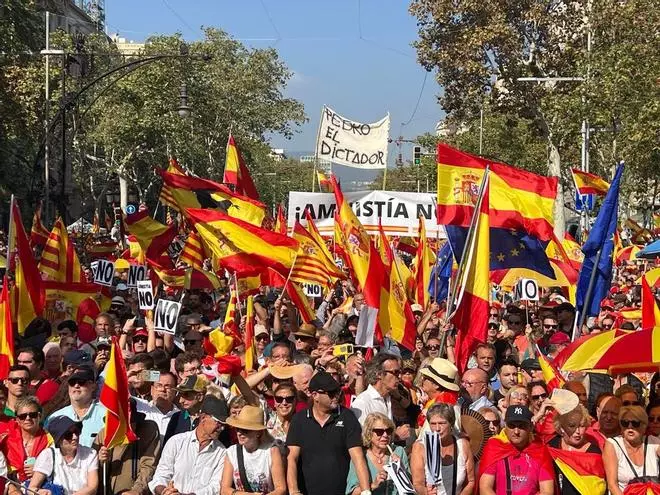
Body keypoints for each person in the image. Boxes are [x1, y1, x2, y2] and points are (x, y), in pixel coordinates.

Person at [286, 370, 371, 495]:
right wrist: (294, 491)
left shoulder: (347, 417)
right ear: (314, 395)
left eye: (337, 391)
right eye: (331, 393)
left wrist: (366, 491)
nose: (336, 396)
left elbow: (357, 457)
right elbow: (292, 458)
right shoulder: (299, 420)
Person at [149, 395, 229, 495]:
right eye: (218, 423)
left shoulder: (222, 453)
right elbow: (161, 475)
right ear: (203, 418)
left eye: (224, 425)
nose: (222, 428)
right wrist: (164, 492)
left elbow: (216, 487)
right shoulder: (176, 442)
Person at [478, 405, 554, 495]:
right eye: (512, 426)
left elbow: (547, 491)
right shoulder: (495, 448)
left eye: (522, 426)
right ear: (505, 426)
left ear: (530, 427)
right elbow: (485, 487)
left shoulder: (540, 451)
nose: (516, 431)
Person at [95, 398, 161, 495]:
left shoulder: (148, 430)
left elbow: (149, 465)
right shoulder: (104, 434)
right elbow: (90, 470)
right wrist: (100, 460)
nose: (127, 427)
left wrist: (137, 490)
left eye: (131, 422)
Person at [221, 405, 286, 494]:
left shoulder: (271, 452)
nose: (240, 433)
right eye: (238, 429)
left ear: (258, 433)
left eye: (245, 430)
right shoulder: (232, 452)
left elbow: (281, 488)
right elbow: (224, 490)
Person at [411, 403, 474, 495]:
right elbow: (418, 483)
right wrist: (426, 493)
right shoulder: (420, 447)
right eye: (433, 424)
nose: (437, 428)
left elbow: (470, 481)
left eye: (442, 423)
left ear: (451, 423)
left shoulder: (463, 445)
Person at [29, 416, 98, 495]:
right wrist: (40, 492)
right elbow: (31, 488)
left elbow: (92, 487)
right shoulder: (48, 455)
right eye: (68, 435)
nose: (75, 437)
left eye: (76, 432)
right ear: (59, 439)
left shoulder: (90, 453)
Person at [547, 404, 605, 495]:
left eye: (581, 426)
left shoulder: (594, 453)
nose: (577, 431)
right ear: (562, 427)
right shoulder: (551, 446)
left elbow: (598, 488)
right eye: (572, 426)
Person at [346, 412, 410, 495]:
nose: (385, 435)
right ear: (369, 433)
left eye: (389, 431)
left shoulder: (398, 451)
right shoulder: (361, 456)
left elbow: (409, 485)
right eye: (379, 432)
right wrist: (373, 485)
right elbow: (352, 492)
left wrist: (400, 469)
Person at [602, 405, 660, 494]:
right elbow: (612, 485)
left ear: (644, 426)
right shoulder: (612, 444)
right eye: (625, 423)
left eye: (635, 423)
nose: (630, 427)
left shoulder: (653, 442)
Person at [46, 367, 107, 448]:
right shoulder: (55, 417)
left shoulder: (106, 415)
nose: (76, 385)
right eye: (72, 382)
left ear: (93, 386)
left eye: (81, 382)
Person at [1, 396, 51, 485]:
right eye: (23, 416)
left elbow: (59, 466)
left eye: (32, 415)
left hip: (42, 486)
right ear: (17, 419)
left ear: (39, 416)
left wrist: (40, 471)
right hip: (12, 487)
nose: (28, 418)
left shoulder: (49, 439)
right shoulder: (6, 441)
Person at [163, 374, 207, 445]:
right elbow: (167, 445)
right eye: (180, 395)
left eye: (186, 395)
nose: (181, 400)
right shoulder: (176, 417)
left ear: (200, 396)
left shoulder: (210, 419)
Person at [135, 371, 179, 439]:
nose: (162, 389)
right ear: (152, 389)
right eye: (159, 385)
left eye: (168, 386)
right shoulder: (140, 407)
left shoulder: (180, 416)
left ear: (175, 391)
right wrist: (137, 376)